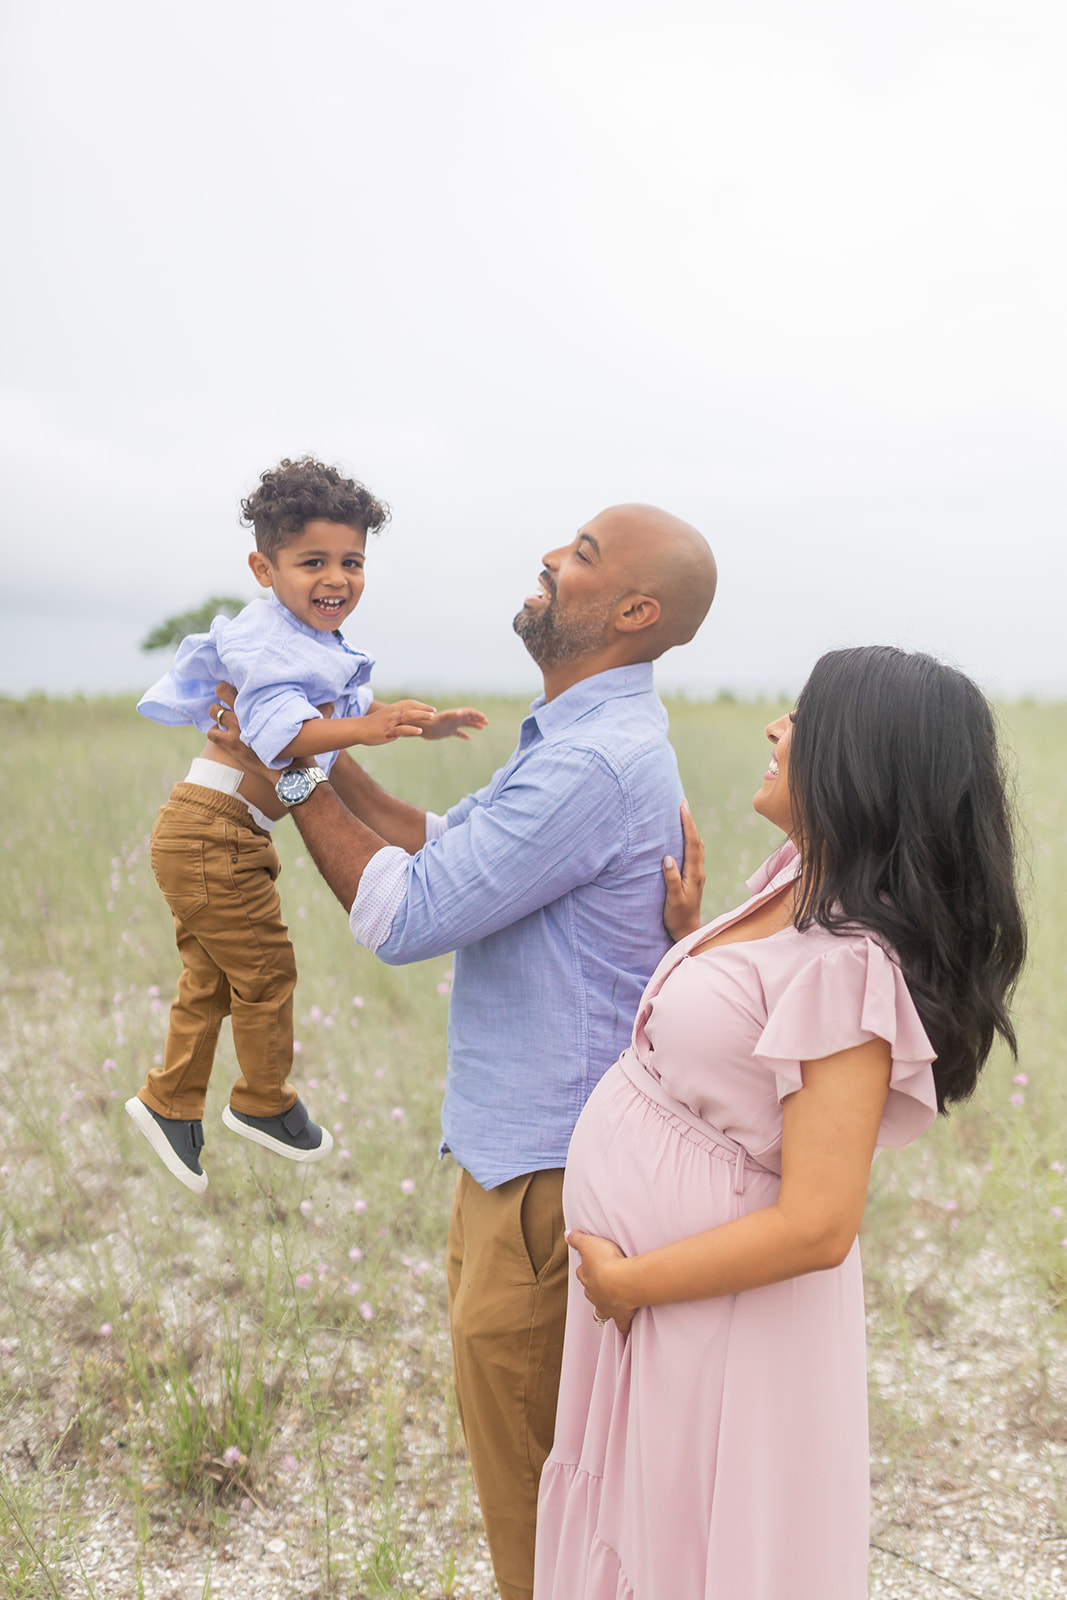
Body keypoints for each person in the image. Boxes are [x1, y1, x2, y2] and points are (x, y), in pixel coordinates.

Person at [208, 503, 718, 1600]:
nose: (547, 555)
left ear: (632, 611)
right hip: (515, 1163)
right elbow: (440, 844)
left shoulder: (593, 764)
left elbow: (403, 914)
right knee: (536, 1484)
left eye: (579, 554)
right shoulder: (578, 741)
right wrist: (310, 728)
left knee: (540, 1508)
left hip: (547, 1186)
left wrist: (284, 771)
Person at [533, 646, 1027, 1600]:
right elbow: (758, 1040)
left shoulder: (850, 970)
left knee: (690, 1552)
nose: (774, 729)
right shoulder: (798, 876)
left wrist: (632, 1282)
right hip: (666, 1301)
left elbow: (818, 1224)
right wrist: (697, 947)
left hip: (711, 1318)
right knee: (638, 1535)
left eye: (800, 718)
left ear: (860, 763)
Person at [127, 456, 485, 1194]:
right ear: (264, 567)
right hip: (216, 827)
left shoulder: (308, 644)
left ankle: (170, 1103)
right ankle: (262, 1103)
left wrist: (421, 725)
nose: (336, 578)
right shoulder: (266, 642)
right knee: (264, 970)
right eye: (312, 561)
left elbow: (337, 720)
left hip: (217, 827)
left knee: (212, 978)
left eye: (351, 561)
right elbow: (281, 733)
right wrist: (365, 730)